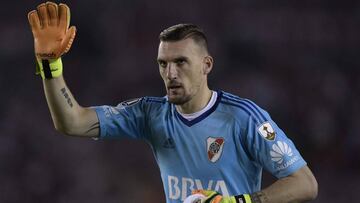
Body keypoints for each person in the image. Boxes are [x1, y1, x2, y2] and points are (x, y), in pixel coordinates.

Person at [27, 2, 318, 203]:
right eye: (163, 63)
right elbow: (72, 122)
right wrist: (51, 65)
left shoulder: (245, 118)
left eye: (181, 62)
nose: (170, 73)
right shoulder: (149, 113)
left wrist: (237, 201)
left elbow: (305, 184)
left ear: (206, 65)